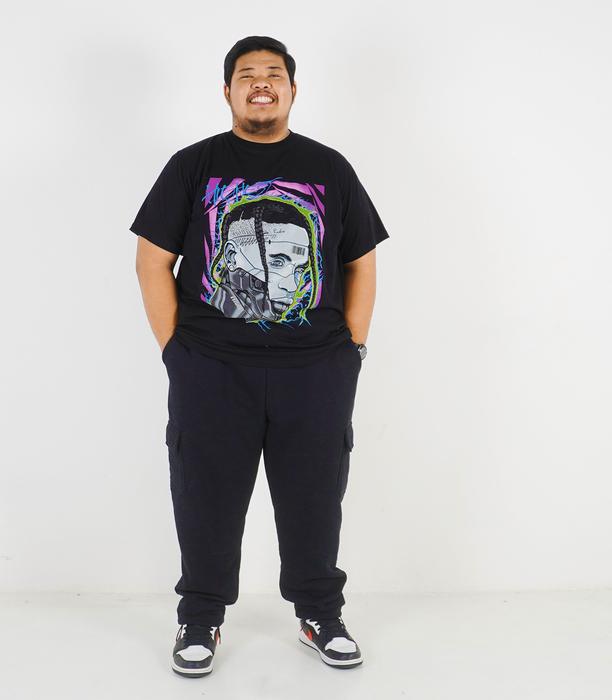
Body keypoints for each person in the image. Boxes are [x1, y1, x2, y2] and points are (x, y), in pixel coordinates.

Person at [130, 36, 389, 677]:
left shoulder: (330, 167)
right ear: (228, 92)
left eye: (274, 74)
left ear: (293, 90)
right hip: (211, 368)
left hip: (317, 369)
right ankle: (200, 616)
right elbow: (152, 260)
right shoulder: (193, 165)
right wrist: (177, 352)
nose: (261, 83)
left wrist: (352, 350)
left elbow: (361, 262)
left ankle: (320, 613)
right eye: (247, 75)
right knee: (205, 494)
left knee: (314, 495)